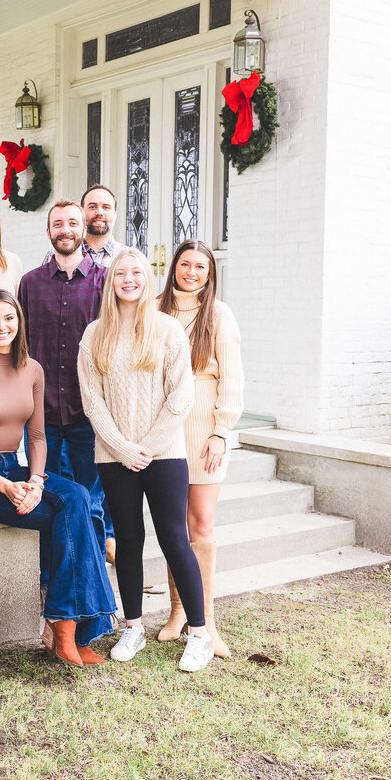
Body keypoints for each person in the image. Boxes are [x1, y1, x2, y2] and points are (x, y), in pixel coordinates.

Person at [77, 247, 214, 672]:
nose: (129, 279)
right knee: (129, 541)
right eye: (122, 272)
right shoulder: (95, 334)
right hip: (113, 456)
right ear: (111, 280)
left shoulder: (169, 330)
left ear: (147, 278)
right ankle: (133, 626)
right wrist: (122, 449)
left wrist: (147, 448)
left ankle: (199, 633)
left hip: (165, 454)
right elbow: (92, 403)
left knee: (175, 539)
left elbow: (181, 396)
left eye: (137, 272)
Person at [0, 290, 116, 667]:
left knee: (76, 497)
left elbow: (36, 436)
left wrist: (35, 482)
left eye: (9, 318)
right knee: (70, 511)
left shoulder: (32, 368)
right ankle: (71, 630)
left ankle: (65, 625)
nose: (2, 326)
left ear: (20, 323)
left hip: (18, 468)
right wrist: (3, 485)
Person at [157, 239, 244, 658]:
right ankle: (178, 611)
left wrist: (221, 431)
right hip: (165, 429)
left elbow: (232, 377)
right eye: (185, 264)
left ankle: (205, 618)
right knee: (173, 525)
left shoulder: (219, 314)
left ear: (210, 274)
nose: (191, 273)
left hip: (205, 426)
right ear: (174, 266)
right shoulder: (155, 308)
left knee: (201, 524)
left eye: (200, 267)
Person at [18, 200, 110, 558]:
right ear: (49, 232)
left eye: (73, 222)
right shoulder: (30, 284)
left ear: (83, 229)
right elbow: (19, 345)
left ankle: (94, 570)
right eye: (58, 224)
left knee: (91, 498)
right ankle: (50, 571)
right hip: (42, 415)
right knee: (46, 493)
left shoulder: (105, 283)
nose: (65, 230)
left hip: (89, 412)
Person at [41, 183, 126, 268]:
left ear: (115, 214)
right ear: (81, 213)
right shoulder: (54, 256)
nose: (99, 212)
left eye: (106, 207)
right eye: (92, 207)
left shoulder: (128, 257)